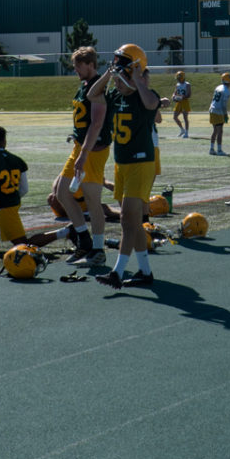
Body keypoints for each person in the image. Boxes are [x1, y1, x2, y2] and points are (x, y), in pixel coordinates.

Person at [93, 44, 161, 289]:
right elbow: (93, 94)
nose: (118, 80)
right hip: (121, 165)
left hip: (141, 164)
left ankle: (117, 272)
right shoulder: (116, 95)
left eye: (123, 73)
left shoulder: (144, 94)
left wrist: (137, 79)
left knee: (127, 219)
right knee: (130, 223)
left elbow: (153, 104)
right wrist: (108, 75)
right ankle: (145, 271)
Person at [0, 126, 64, 252]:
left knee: (24, 246)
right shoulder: (17, 160)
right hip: (10, 201)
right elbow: (24, 189)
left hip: (2, 206)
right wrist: (12, 196)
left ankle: (67, 232)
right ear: (4, 141)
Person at [59, 46, 108, 264]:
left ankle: (98, 249)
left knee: (92, 200)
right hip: (80, 147)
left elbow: (97, 124)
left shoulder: (98, 87)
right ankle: (84, 239)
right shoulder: (84, 86)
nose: (76, 70)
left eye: (79, 66)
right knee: (61, 192)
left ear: (91, 64)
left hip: (93, 151)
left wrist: (85, 153)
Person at [208, 71, 230, 156]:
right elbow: (223, 105)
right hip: (218, 111)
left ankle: (211, 149)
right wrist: (225, 115)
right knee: (220, 131)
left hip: (212, 109)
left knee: (215, 131)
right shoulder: (226, 91)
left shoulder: (218, 87)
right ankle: (219, 150)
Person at [170, 71, 192, 138]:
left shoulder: (187, 84)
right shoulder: (177, 84)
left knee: (185, 118)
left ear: (182, 78)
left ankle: (187, 133)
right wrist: (173, 96)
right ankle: (182, 130)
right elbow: (175, 92)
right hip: (179, 103)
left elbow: (189, 94)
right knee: (175, 117)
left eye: (178, 78)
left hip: (185, 102)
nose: (178, 79)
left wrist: (181, 97)